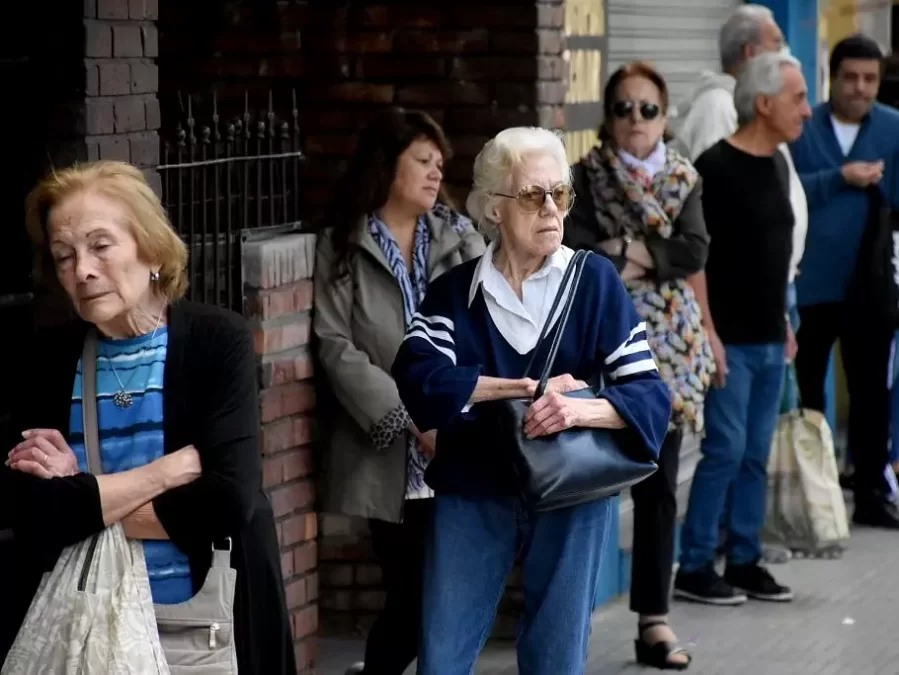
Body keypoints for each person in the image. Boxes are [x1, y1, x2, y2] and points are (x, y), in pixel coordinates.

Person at [391, 126, 672, 675]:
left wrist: (577, 409)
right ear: (494, 208)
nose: (550, 208)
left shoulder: (594, 282)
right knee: (442, 655)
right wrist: (524, 392)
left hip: (572, 489)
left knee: (556, 657)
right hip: (473, 487)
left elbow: (648, 396)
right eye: (531, 195)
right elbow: (420, 380)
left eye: (559, 194)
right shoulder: (455, 292)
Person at [0, 161, 295, 672]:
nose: (83, 269)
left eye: (101, 245)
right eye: (64, 255)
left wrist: (84, 495)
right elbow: (33, 516)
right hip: (85, 631)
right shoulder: (47, 360)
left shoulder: (215, 340)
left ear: (150, 247)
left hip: (198, 630)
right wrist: (166, 472)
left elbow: (227, 501)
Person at [312, 108, 485, 675]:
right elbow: (337, 345)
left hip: (453, 442)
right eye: (422, 160)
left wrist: (452, 411)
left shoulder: (458, 236)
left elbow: (485, 327)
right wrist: (414, 418)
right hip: (388, 450)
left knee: (447, 594)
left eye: (440, 163)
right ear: (388, 164)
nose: (436, 173)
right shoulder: (343, 243)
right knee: (411, 597)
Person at [566, 61, 713, 670]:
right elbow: (574, 242)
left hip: (670, 350)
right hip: (597, 340)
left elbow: (694, 248)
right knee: (584, 479)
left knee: (657, 488)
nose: (635, 119)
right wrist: (637, 257)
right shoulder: (584, 174)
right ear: (608, 115)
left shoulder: (684, 177)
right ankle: (566, 616)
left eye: (647, 108)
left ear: (664, 116)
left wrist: (628, 249)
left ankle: (653, 620)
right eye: (624, 108)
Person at [674, 52, 810, 606]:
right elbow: (696, 259)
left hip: (769, 335)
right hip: (726, 337)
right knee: (726, 449)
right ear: (763, 104)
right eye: (798, 98)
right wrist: (707, 331)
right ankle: (697, 563)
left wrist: (783, 320)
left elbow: (773, 254)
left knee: (756, 452)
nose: (807, 109)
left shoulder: (778, 163)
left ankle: (746, 558)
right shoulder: (715, 167)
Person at [789, 34, 899, 529]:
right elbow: (786, 190)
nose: (860, 88)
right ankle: (812, 496)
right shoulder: (803, 126)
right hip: (808, 286)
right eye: (851, 77)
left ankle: (872, 494)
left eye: (869, 79)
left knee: (871, 393)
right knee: (806, 392)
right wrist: (841, 176)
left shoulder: (893, 129)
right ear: (831, 79)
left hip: (869, 287)